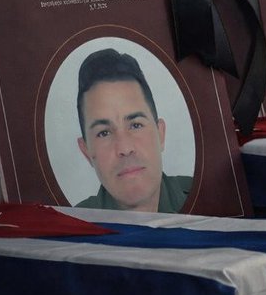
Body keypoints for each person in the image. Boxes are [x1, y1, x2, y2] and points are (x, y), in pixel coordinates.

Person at [74, 48, 191, 213]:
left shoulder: (215, 201)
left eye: (136, 125)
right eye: (104, 133)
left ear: (161, 134)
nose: (125, 148)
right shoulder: (70, 226)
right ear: (86, 152)